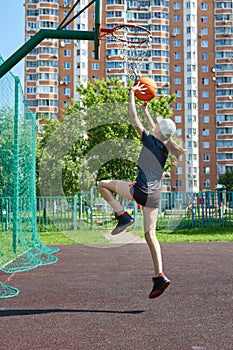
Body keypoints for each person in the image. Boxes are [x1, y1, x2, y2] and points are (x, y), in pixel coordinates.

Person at [98, 81, 186, 299]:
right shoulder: (166, 146)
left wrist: (131, 95)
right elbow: (157, 130)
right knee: (150, 235)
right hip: (155, 195)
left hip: (141, 190)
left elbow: (133, 120)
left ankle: (122, 215)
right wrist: (146, 110)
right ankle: (160, 276)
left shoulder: (150, 140)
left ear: (157, 131)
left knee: (102, 184)